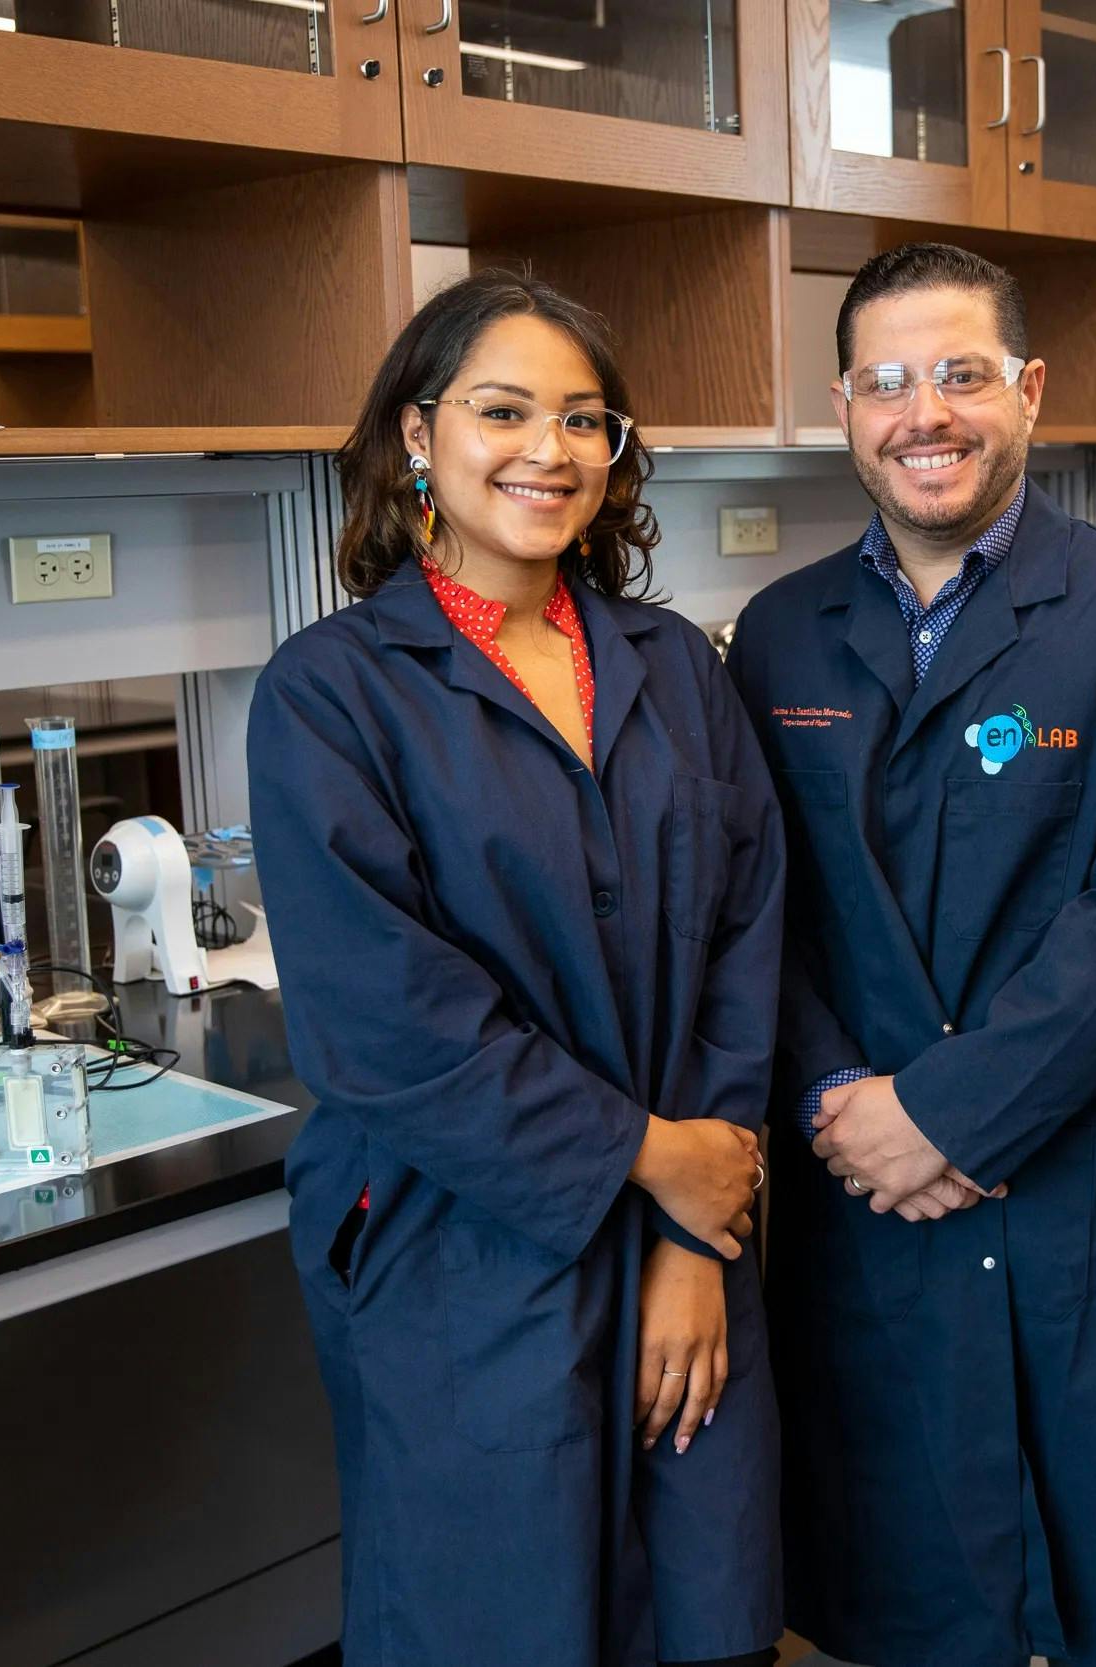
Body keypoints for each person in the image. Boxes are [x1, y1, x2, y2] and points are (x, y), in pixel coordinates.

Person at [247, 270, 785, 1667]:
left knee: (703, 1606)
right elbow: (385, 1022)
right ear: (417, 437)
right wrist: (648, 1160)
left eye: (584, 420)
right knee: (502, 1618)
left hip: (684, 1234)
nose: (549, 451)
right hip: (456, 1244)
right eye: (504, 411)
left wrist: (693, 1228)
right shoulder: (332, 691)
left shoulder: (675, 666)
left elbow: (744, 933)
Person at [727, 242, 1096, 1667]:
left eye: (962, 373)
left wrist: (941, 1115)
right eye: (889, 381)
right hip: (864, 1191)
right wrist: (843, 1099)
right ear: (843, 406)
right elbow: (749, 910)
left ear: (1029, 390)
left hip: (1074, 1186)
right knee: (906, 1589)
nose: (926, 414)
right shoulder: (777, 640)